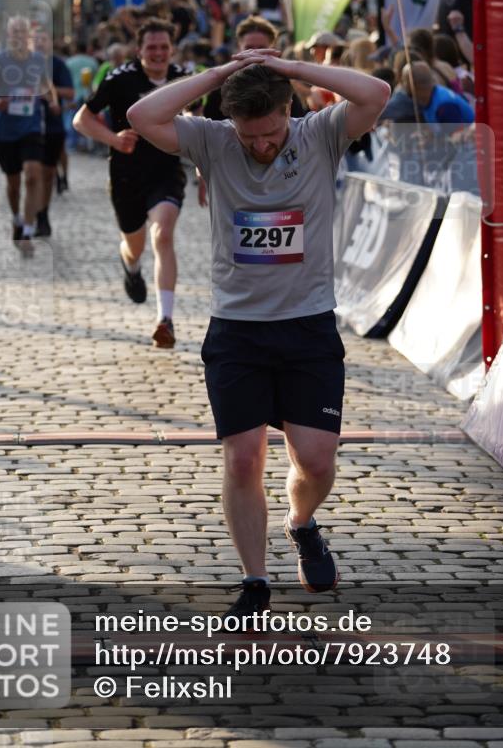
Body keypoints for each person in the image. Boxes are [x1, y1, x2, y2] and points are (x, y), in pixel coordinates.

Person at [127, 49, 390, 621]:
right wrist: (220, 74)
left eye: (270, 133)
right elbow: (143, 115)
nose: (261, 145)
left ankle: (301, 523)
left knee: (316, 462)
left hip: (308, 325)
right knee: (243, 458)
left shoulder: (321, 134)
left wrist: (293, 68)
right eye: (251, 137)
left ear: (287, 111)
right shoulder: (215, 140)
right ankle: (255, 580)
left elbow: (375, 93)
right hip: (238, 331)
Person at [73, 17, 191, 348]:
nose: (158, 53)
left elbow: (199, 118)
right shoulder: (120, 79)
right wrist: (113, 139)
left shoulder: (183, 79)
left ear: (172, 49)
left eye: (164, 47)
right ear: (139, 50)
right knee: (135, 243)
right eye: (151, 47)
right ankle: (131, 263)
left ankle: (164, 319)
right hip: (126, 174)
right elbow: (81, 120)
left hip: (167, 170)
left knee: (163, 233)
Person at [0, 16, 54, 255]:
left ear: (28, 36)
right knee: (13, 184)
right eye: (15, 32)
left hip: (30, 128)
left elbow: (46, 85)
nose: (19, 36)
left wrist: (52, 101)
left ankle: (28, 232)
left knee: (32, 175)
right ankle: (16, 218)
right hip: (5, 131)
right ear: (9, 36)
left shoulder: (38, 60)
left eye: (23, 31)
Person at [32, 28, 74, 237]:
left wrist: (50, 92)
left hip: (53, 126)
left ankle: (43, 214)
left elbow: (70, 92)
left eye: (43, 39)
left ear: (50, 43)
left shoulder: (58, 65)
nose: (40, 43)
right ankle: (33, 215)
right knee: (33, 172)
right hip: (28, 127)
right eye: (36, 40)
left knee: (47, 174)